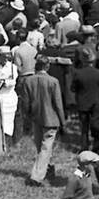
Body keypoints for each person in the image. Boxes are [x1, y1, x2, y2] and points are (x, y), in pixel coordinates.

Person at [19, 55, 65, 187]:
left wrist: (26, 116)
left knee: (41, 147)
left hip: (36, 117)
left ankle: (48, 169)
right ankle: (37, 176)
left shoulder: (28, 81)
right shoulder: (53, 81)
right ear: (47, 66)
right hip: (51, 119)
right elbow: (58, 104)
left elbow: (25, 102)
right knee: (45, 148)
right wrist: (63, 121)